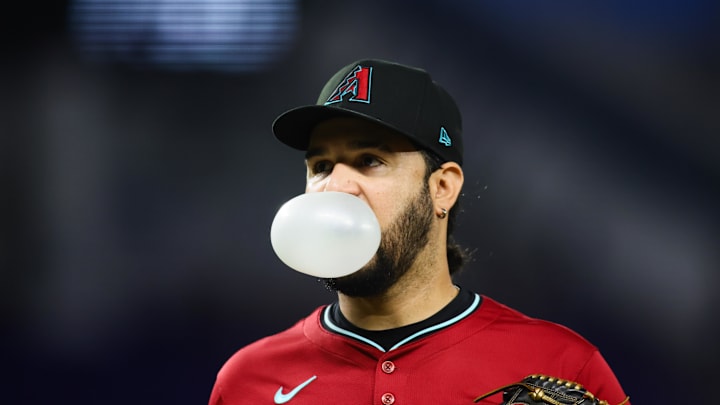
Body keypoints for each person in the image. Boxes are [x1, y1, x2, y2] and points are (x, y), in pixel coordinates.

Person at [208, 59, 630, 404]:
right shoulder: (248, 380)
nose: (334, 187)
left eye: (369, 160)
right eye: (320, 166)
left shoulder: (560, 364)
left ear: (442, 187)